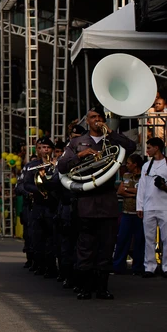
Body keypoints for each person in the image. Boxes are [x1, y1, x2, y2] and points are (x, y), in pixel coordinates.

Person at [57, 107, 136, 299]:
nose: (97, 120)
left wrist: (112, 133)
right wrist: (79, 157)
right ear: (87, 121)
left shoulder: (112, 140)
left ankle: (102, 287)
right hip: (86, 202)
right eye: (93, 117)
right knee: (86, 247)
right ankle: (85, 287)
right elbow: (61, 166)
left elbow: (131, 147)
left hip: (107, 202)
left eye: (100, 117)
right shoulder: (76, 142)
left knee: (107, 246)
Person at [19, 138, 58, 278]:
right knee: (37, 237)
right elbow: (26, 184)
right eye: (41, 147)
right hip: (37, 204)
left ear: (51, 149)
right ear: (37, 150)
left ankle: (51, 267)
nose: (44, 150)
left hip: (52, 205)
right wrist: (39, 189)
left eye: (47, 147)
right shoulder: (32, 166)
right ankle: (40, 265)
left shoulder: (57, 164)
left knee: (51, 238)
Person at [137, 138, 167, 278]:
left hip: (164, 206)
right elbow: (142, 187)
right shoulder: (146, 166)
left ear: (156, 148)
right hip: (149, 206)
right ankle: (150, 266)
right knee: (149, 238)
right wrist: (140, 206)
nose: (147, 150)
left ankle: (166, 267)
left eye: (149, 147)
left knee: (166, 238)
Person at [113, 154, 145, 275]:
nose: (127, 165)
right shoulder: (126, 175)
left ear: (135, 164)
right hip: (126, 212)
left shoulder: (144, 177)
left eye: (129, 163)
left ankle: (138, 267)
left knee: (139, 241)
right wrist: (136, 194)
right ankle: (118, 266)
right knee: (122, 239)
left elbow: (145, 192)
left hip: (139, 213)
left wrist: (129, 191)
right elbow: (120, 191)